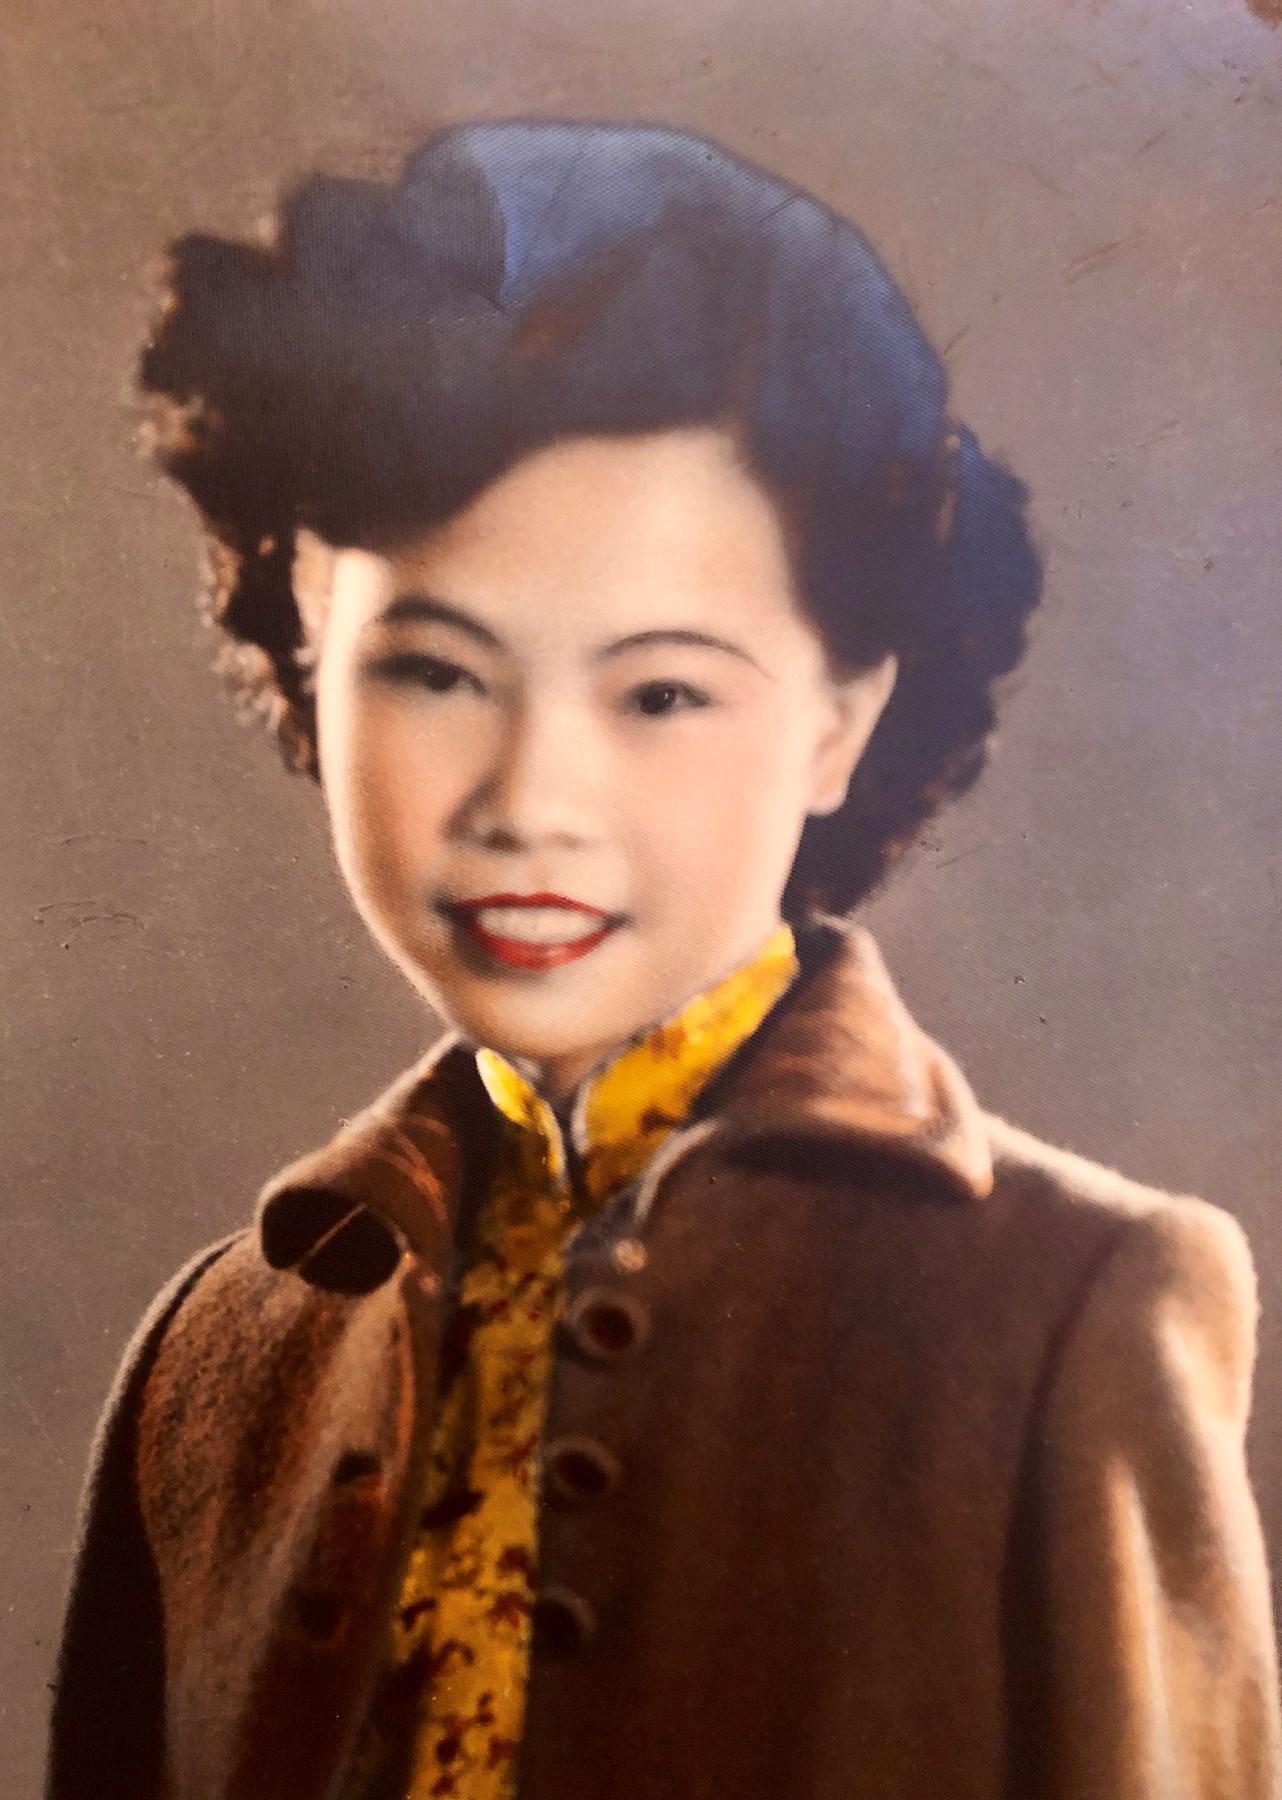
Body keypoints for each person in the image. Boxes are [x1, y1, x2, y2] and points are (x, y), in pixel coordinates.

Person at [46, 120, 1281, 1800]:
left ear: (840, 719)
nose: (530, 800)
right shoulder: (222, 1351)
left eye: (662, 692)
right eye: (434, 672)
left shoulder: (1074, 1302)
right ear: (308, 642)